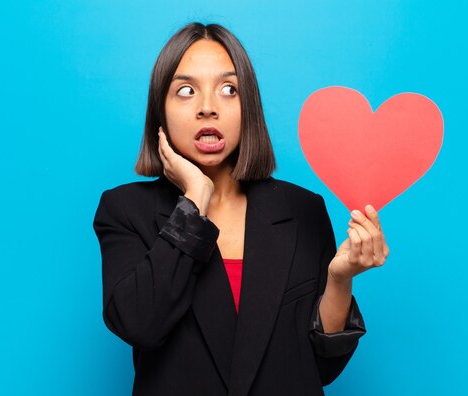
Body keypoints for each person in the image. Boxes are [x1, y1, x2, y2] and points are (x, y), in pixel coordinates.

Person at [93, 22, 389, 396]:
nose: (207, 108)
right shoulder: (124, 209)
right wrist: (195, 198)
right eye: (185, 91)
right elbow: (139, 325)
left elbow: (321, 366)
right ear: (160, 113)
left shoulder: (303, 210)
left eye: (228, 89)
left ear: (248, 105)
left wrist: (340, 279)